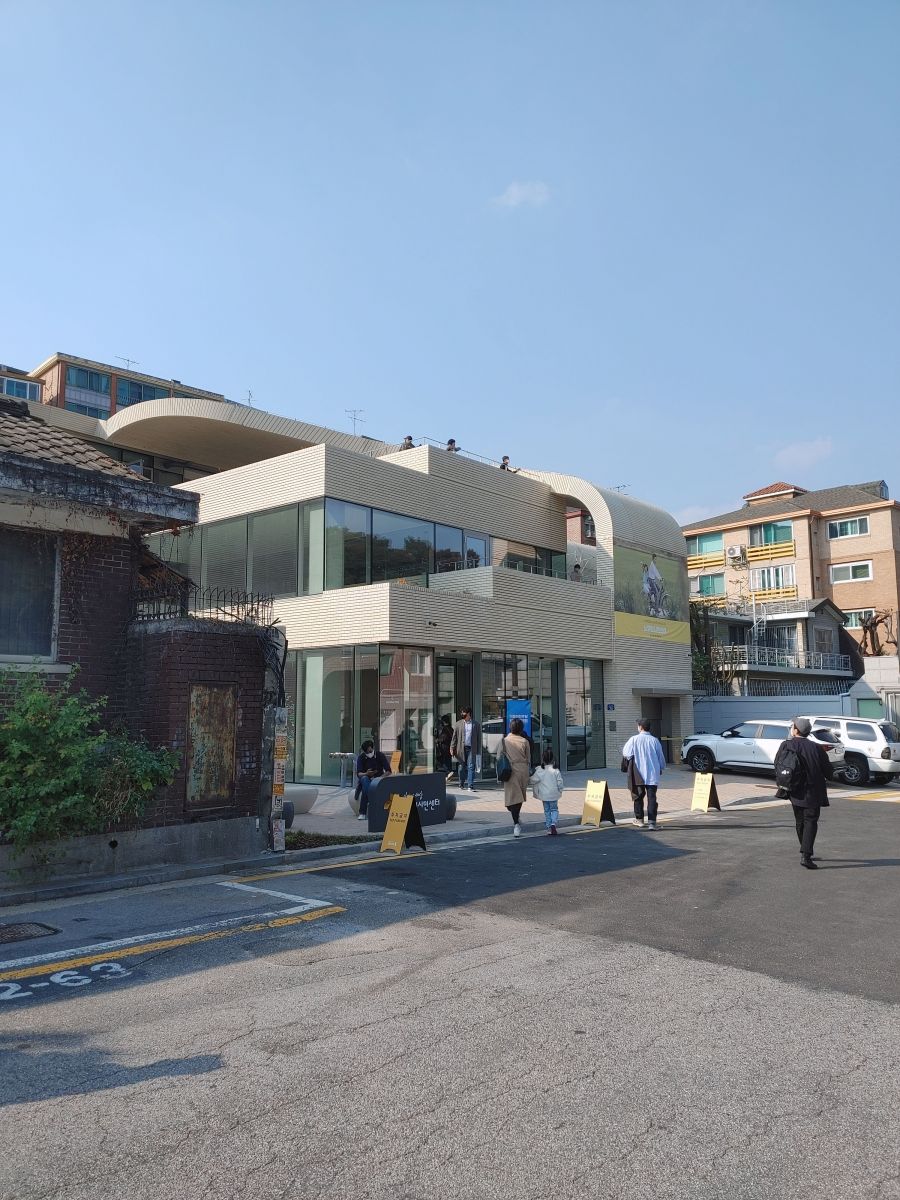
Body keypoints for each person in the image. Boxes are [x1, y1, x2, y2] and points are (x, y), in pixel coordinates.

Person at [775, 717, 829, 869]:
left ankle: (805, 850)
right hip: (813, 790)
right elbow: (828, 771)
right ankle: (806, 855)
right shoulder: (816, 748)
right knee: (810, 821)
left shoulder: (786, 745)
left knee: (800, 821)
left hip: (794, 790)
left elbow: (777, 764)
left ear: (796, 730)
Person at [621, 718, 666, 829]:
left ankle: (639, 820)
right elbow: (660, 757)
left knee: (638, 796)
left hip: (638, 774)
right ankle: (652, 822)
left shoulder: (633, 739)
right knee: (652, 797)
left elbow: (626, 753)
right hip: (652, 774)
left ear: (640, 727)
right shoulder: (654, 740)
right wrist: (661, 767)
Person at [502, 717, 531, 837]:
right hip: (522, 770)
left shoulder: (505, 740)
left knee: (512, 798)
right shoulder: (525, 741)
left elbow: (500, 755)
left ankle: (516, 823)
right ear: (521, 729)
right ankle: (516, 822)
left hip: (509, 771)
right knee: (518, 798)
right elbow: (528, 758)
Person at [355, 739, 392, 820]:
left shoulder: (380, 755)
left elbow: (388, 771)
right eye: (366, 752)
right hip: (366, 779)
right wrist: (366, 773)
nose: (368, 753)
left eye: (369, 751)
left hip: (378, 778)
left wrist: (380, 778)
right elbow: (359, 774)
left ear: (372, 748)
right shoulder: (361, 757)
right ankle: (371, 804)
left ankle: (362, 812)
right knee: (365, 780)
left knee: (365, 790)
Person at [532, 748, 564, 836]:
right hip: (554, 794)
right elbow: (560, 782)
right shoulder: (556, 770)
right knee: (554, 809)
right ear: (553, 759)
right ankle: (553, 824)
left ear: (543, 759)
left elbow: (533, 780)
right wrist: (560, 790)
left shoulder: (540, 770)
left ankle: (549, 827)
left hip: (544, 795)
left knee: (547, 811)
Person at [450, 707, 481, 791]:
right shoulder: (458, 724)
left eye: (464, 713)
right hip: (461, 749)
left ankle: (470, 785)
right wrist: (452, 747)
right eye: (462, 713)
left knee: (471, 766)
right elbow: (454, 737)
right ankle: (461, 783)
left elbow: (478, 739)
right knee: (461, 767)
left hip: (471, 749)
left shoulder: (476, 724)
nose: (462, 714)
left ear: (469, 714)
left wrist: (478, 751)